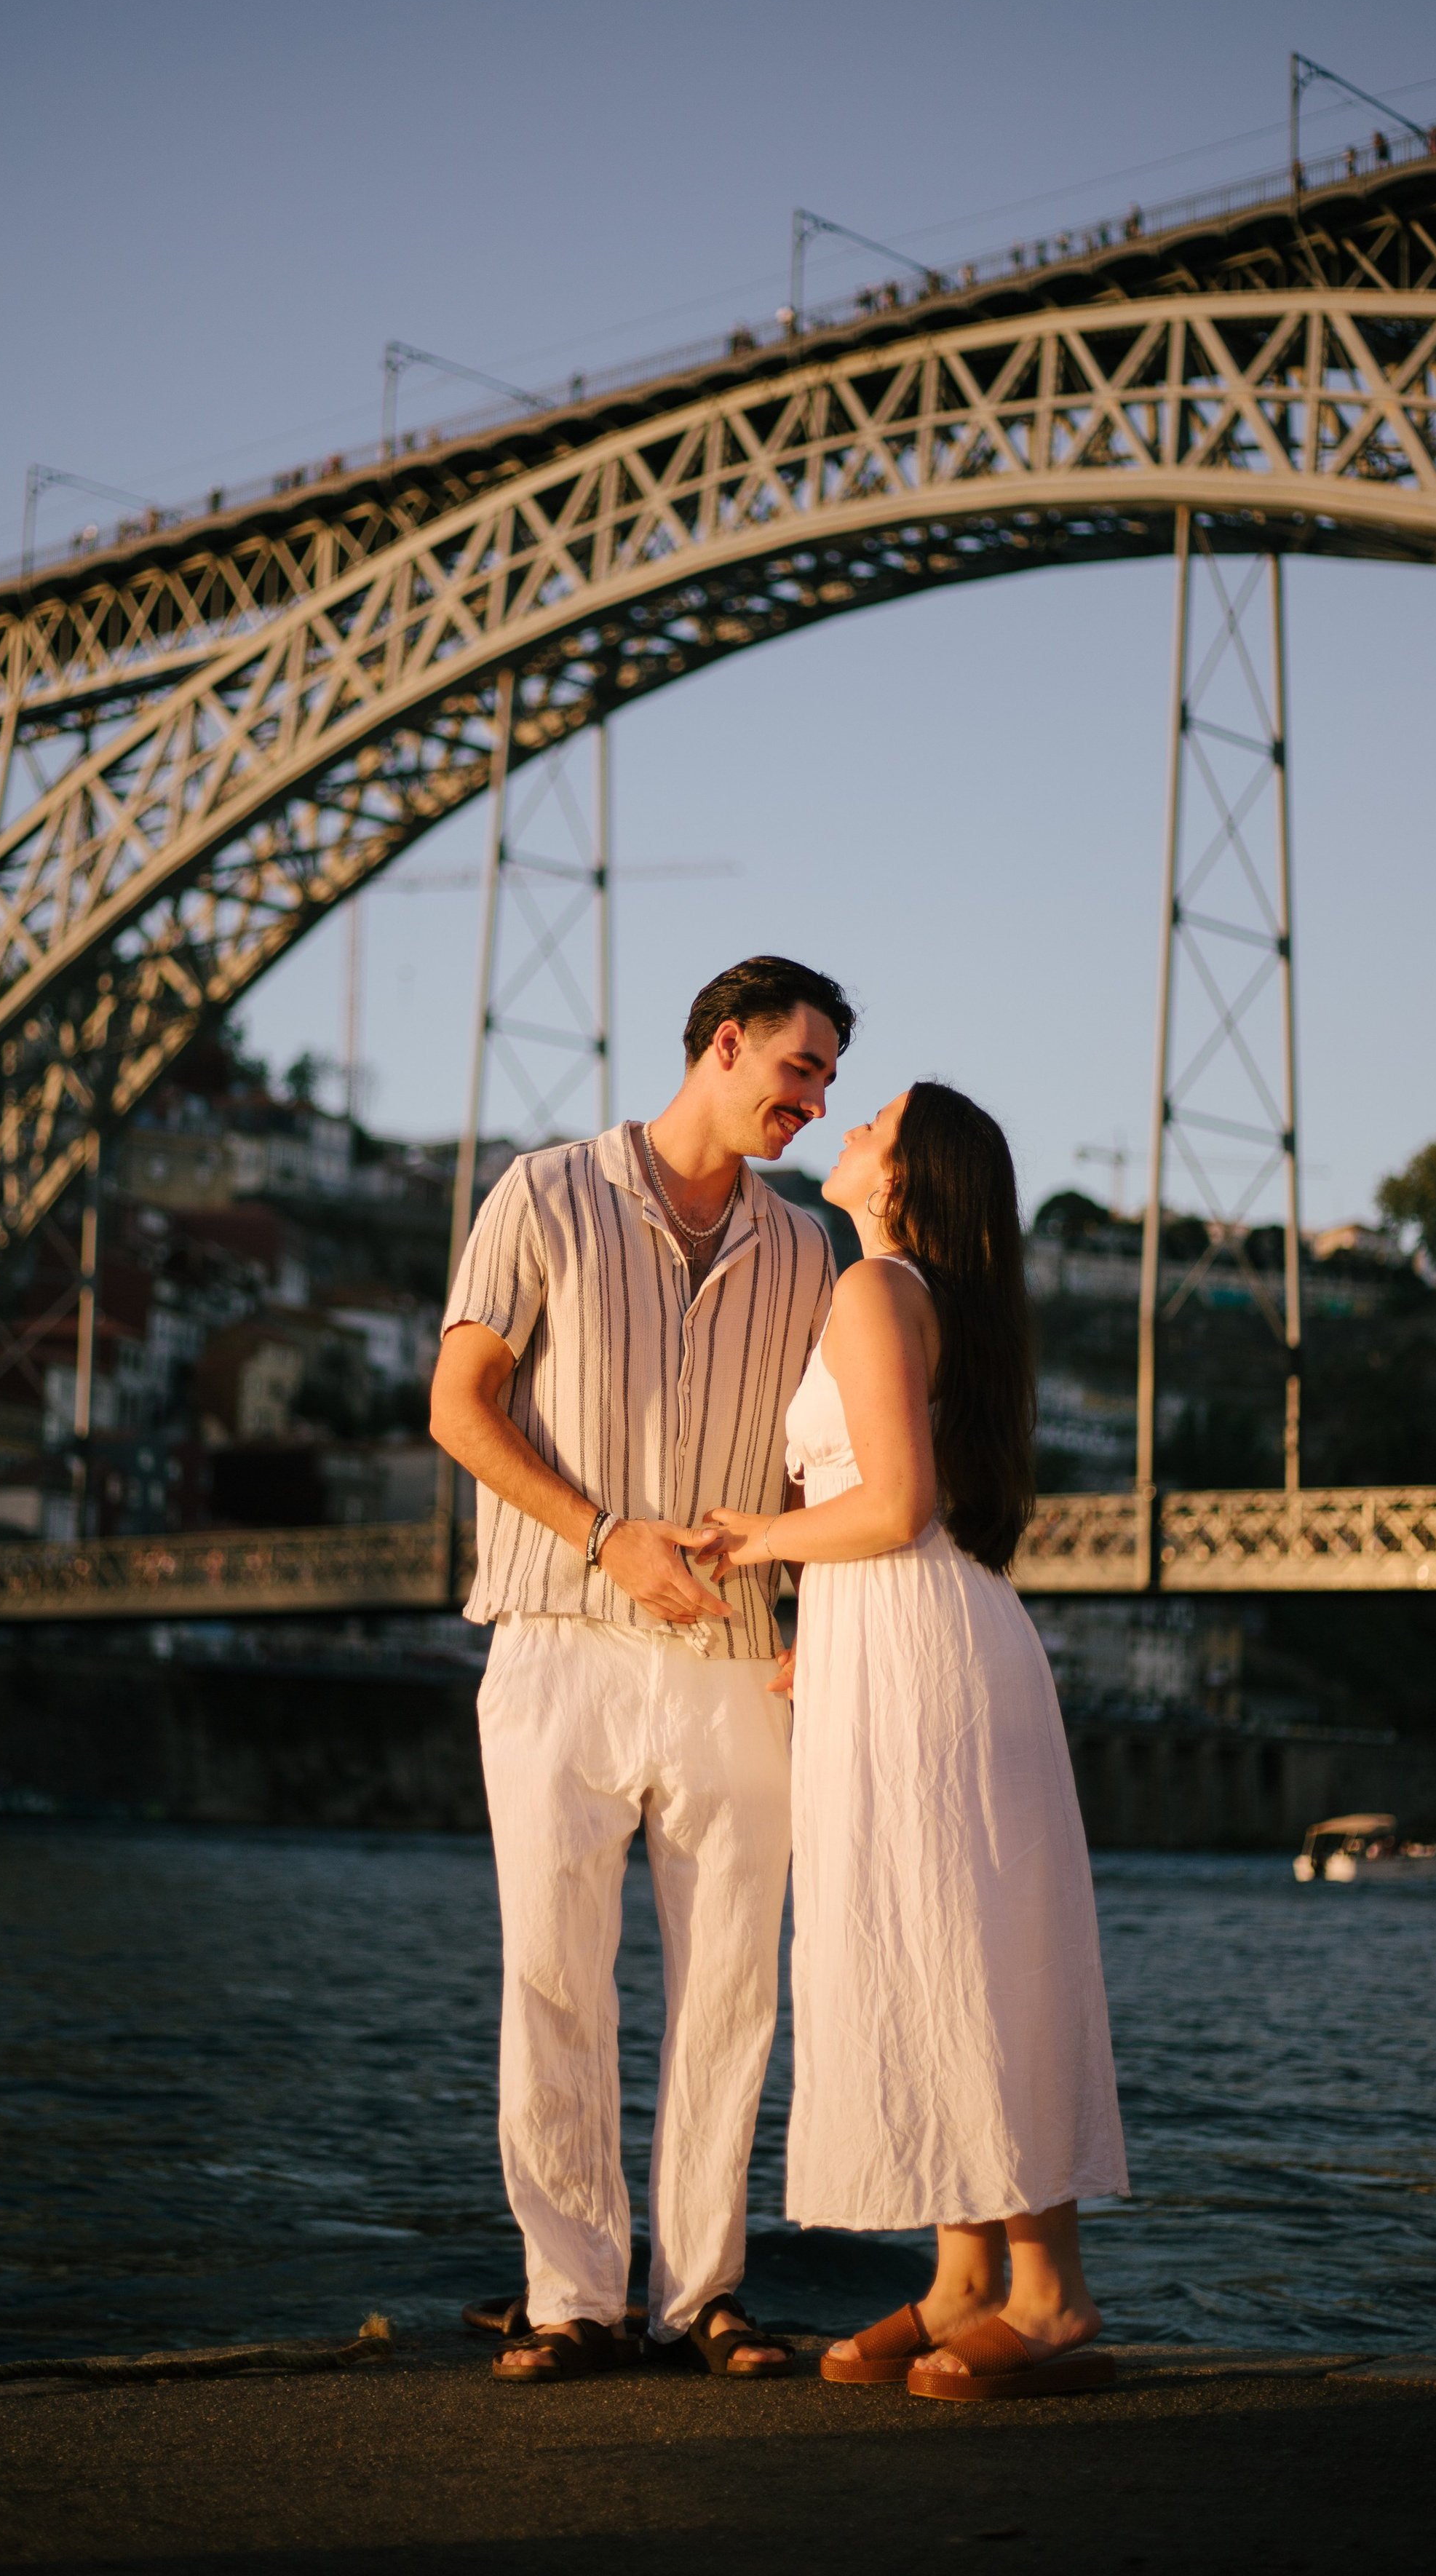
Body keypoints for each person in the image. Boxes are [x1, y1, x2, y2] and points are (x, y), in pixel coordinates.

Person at [429, 956, 854, 2385]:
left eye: (828, 1082)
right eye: (799, 1068)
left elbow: (814, 1469)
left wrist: (812, 1617)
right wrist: (606, 1536)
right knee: (551, 1978)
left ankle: (701, 2296)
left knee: (731, 1991)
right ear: (723, 1044)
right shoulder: (542, 1194)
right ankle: (572, 2298)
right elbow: (459, 1407)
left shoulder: (806, 1249)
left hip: (733, 1660)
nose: (813, 1101)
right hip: (556, 1639)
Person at [696, 1082, 1127, 2403]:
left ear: (904, 1180)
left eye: (874, 1123)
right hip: (908, 1642)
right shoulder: (916, 1297)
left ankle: (1049, 2295)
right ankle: (963, 2279)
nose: (849, 1128)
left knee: (969, 1948)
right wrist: (820, 1642)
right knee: (928, 1945)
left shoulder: (877, 1290)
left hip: (923, 1647)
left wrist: (752, 1541)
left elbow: (894, 1506)